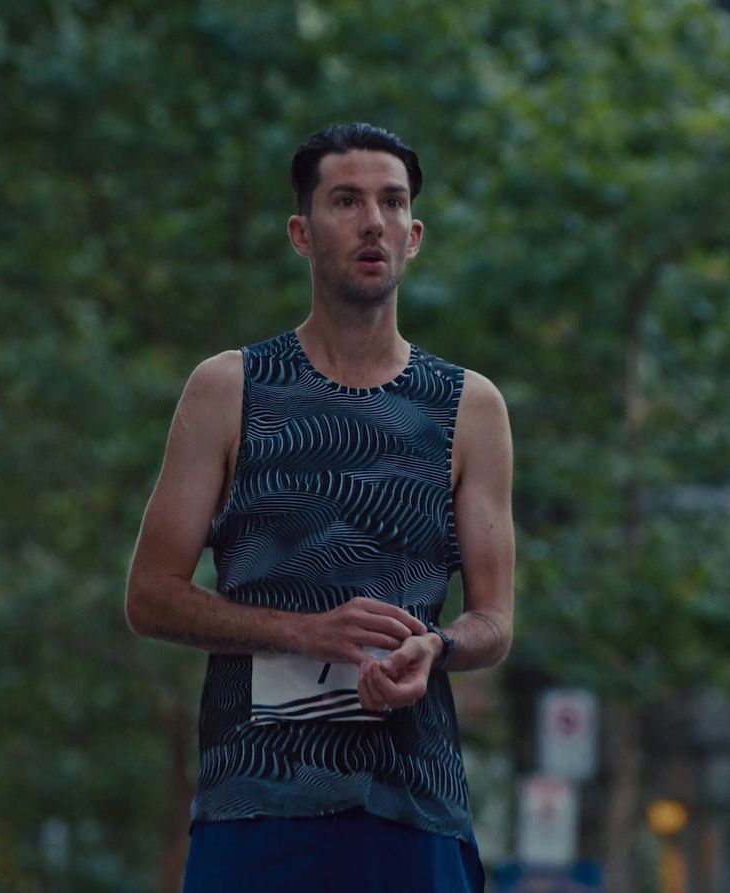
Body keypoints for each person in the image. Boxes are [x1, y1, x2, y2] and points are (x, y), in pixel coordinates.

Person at [125, 122, 515, 893]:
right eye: (347, 200)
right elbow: (149, 595)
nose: (374, 221)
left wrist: (434, 647)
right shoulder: (228, 389)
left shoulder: (470, 406)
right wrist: (302, 631)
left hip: (413, 805)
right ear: (302, 233)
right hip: (256, 803)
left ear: (415, 234)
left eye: (392, 202)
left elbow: (494, 620)